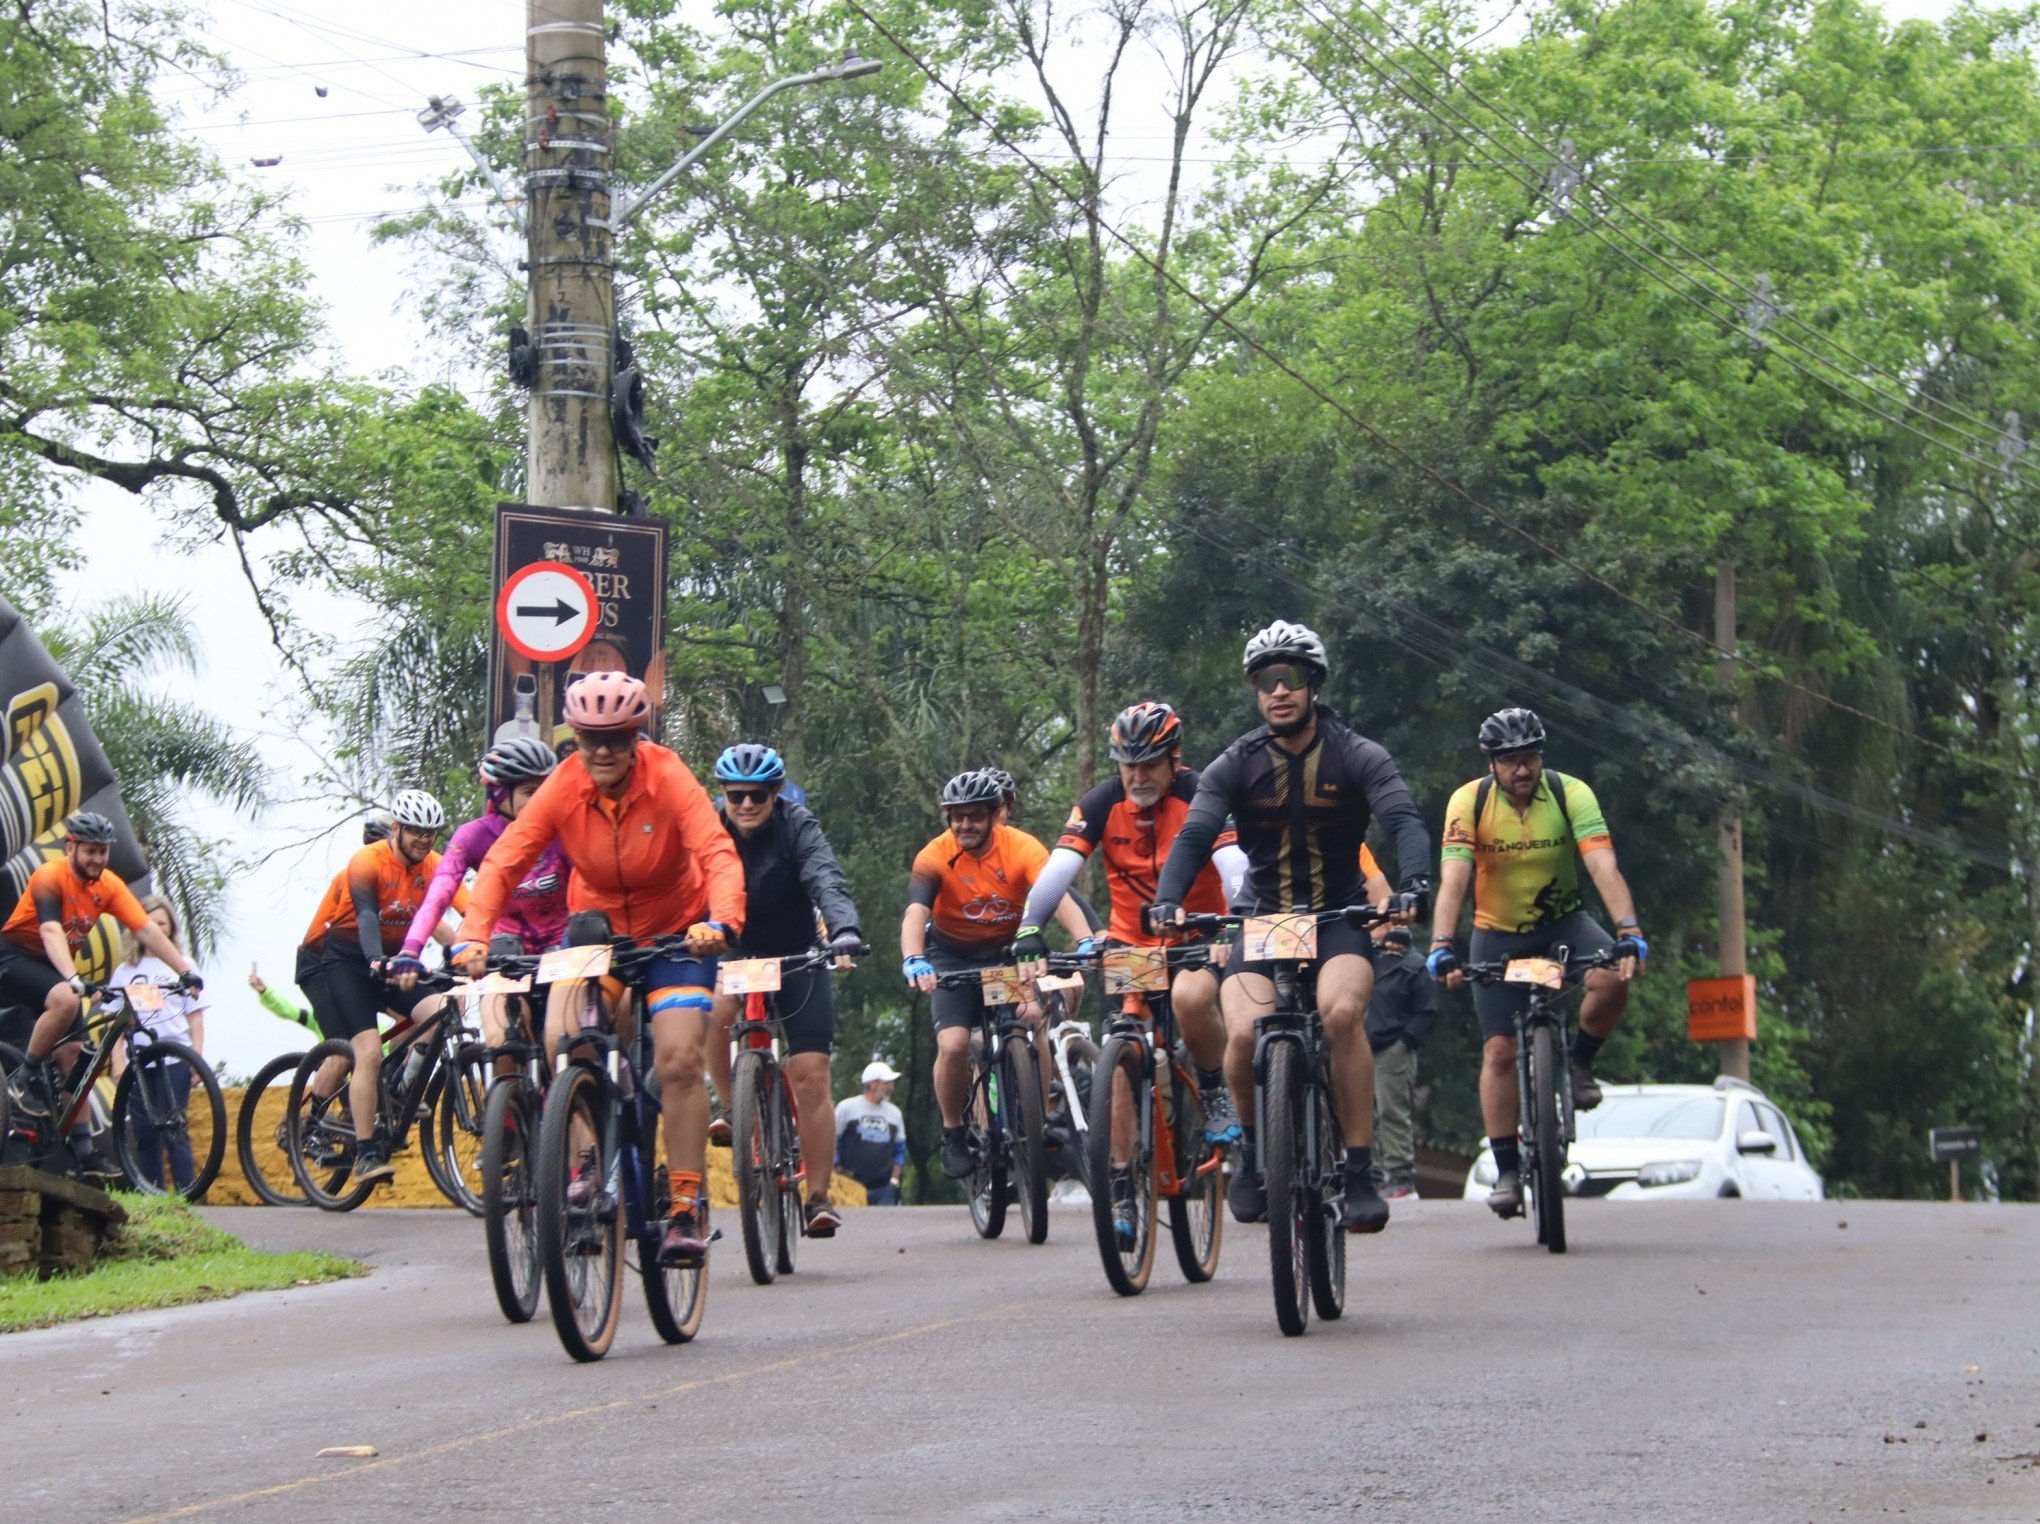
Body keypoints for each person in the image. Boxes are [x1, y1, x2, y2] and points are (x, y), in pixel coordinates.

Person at [454, 671, 745, 1267]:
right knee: (564, 1037)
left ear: (637, 735)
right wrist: (473, 934)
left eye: (617, 737)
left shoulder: (667, 777)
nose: (604, 752)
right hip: (598, 932)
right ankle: (583, 1159)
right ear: (575, 739)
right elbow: (505, 861)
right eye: (591, 739)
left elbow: (716, 851)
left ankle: (685, 1206)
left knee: (680, 1060)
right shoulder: (563, 785)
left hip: (675, 935)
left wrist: (721, 922)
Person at [1149, 620, 1431, 1234]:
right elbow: (1196, 833)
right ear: (1255, 691)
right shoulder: (1237, 762)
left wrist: (1412, 886)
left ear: (1313, 684)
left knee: (1339, 1015)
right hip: (1264, 918)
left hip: (1340, 917)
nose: (1279, 691)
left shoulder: (1357, 753)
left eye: (1291, 678)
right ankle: (1251, 1157)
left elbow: (1403, 820)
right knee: (1245, 1036)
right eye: (1265, 681)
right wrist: (1167, 899)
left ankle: (1359, 1170)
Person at [1014, 701, 1240, 1248]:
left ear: (1173, 760)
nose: (1138, 777)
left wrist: (1236, 923)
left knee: (1190, 1000)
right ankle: (1121, 1192)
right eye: (1127, 764)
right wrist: (1029, 927)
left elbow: (1235, 867)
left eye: (1150, 764)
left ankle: (1212, 1088)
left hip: (1198, 936)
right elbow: (1059, 870)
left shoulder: (1201, 794)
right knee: (1119, 1063)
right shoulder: (1099, 803)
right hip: (1132, 945)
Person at [1426, 707, 1647, 1218]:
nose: (1521, 770)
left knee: (1613, 978)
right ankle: (1506, 1170)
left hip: (1563, 925)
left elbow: (1600, 863)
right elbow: (1454, 877)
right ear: (1492, 764)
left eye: (1529, 759)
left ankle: (1580, 1062)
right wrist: (1441, 942)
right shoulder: (1468, 801)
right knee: (1500, 1052)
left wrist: (1628, 930)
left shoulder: (1572, 793)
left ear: (1541, 757)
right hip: (1496, 935)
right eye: (1509, 762)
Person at [703, 742, 864, 1238]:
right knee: (713, 1010)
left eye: (757, 796)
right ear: (723, 795)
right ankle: (733, 1107)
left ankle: (817, 1196)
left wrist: (843, 931)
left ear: (775, 795)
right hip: (733, 951)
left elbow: (825, 878)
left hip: (797, 954)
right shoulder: (708, 828)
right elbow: (683, 881)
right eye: (736, 796)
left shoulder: (799, 826)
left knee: (810, 1075)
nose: (746, 805)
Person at [901, 769, 1092, 1180]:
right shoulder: (934, 855)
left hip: (1005, 955)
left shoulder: (1021, 847)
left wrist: (1085, 941)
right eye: (956, 817)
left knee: (1032, 1017)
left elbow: (1054, 896)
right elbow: (916, 910)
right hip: (951, 955)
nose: (964, 825)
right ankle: (954, 1132)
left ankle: (1035, 1119)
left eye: (974, 816)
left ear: (993, 815)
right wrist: (914, 957)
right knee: (952, 1045)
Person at [294, 790, 457, 1188]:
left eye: (430, 833)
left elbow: (446, 918)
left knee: (432, 1013)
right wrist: (374, 961)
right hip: (327, 961)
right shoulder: (364, 866)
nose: (424, 840)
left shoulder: (422, 873)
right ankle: (316, 1122)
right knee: (355, 1048)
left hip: (385, 959)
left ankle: (397, 1086)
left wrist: (473, 949)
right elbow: (366, 919)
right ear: (394, 833)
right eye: (415, 832)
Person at [2, 812, 201, 1124]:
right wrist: (71, 977)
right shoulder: (49, 876)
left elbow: (146, 929)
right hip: (14, 956)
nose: (97, 859)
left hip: (52, 967)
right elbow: (51, 931)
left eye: (102, 851)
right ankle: (21, 1079)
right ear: (71, 848)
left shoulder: (108, 885)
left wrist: (183, 970)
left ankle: (83, 1150)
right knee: (66, 998)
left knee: (76, 1055)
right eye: (90, 851)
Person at [387, 738, 567, 1068]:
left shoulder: (563, 830)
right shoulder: (474, 836)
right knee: (502, 1047)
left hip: (561, 952)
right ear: (500, 794)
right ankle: (507, 1113)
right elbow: (439, 895)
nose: (541, 802)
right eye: (530, 792)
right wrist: (410, 951)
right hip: (503, 954)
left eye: (546, 791)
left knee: (568, 1047)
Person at [108, 894, 207, 1192]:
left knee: (175, 1127)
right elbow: (115, 1022)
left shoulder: (183, 965)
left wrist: (197, 1059)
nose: (156, 928)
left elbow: (196, 1018)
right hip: (137, 1061)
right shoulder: (125, 970)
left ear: (171, 927)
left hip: (174, 1059)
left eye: (162, 923)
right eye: (149, 922)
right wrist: (117, 1060)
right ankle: (151, 1195)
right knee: (144, 1132)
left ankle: (186, 1195)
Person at [1364, 928, 1436, 1200]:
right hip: (1360, 1046)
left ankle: (1399, 1174)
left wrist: (1405, 1042)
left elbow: (1427, 1009)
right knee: (1360, 1113)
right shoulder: (1365, 958)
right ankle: (1368, 1172)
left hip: (1393, 1047)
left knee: (1391, 1111)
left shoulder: (1415, 965)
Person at [835, 1060, 907, 1205]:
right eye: (887, 1083)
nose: (891, 1087)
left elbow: (900, 1150)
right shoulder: (847, 1108)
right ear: (872, 1083)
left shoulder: (894, 1113)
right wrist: (836, 1168)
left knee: (886, 1225)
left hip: (883, 1188)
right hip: (850, 1184)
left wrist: (894, 1180)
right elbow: (831, 1141)